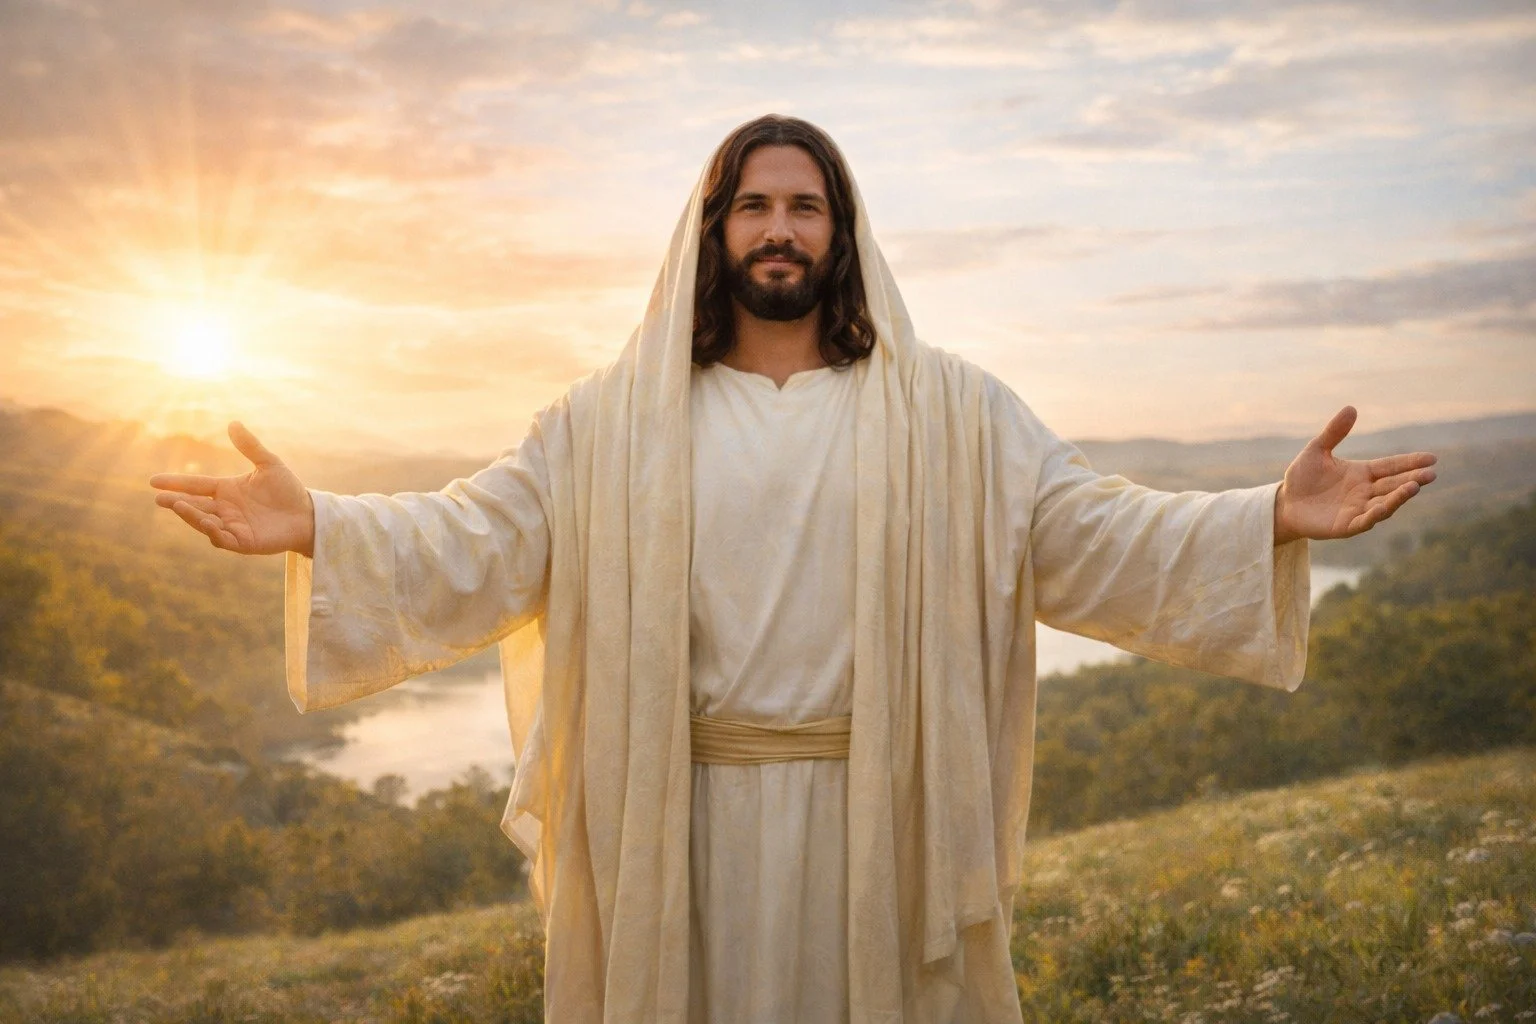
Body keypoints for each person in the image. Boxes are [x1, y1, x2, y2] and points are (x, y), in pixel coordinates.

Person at [149, 114, 1437, 1024]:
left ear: (843, 232)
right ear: (713, 232)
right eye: (754, 205)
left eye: (803, 205)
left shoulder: (953, 415)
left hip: (880, 825)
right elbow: (478, 539)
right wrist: (323, 522)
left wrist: (1267, 514)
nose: (779, 228)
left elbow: (1089, 534)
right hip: (678, 831)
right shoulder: (609, 425)